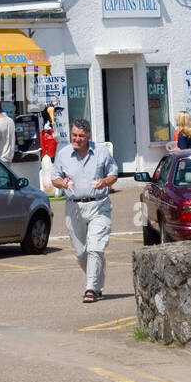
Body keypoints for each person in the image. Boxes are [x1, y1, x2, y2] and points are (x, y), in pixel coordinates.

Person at [51, 119, 118, 304]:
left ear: (88, 136)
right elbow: (55, 178)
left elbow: (114, 174)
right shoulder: (63, 154)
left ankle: (90, 289)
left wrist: (104, 182)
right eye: (74, 135)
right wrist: (62, 183)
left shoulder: (101, 152)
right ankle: (97, 283)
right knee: (81, 253)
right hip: (74, 207)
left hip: (99, 205)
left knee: (96, 247)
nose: (77, 139)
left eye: (81, 136)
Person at [39, 110, 58, 194]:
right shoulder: (41, 133)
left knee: (52, 172)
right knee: (43, 172)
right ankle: (44, 188)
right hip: (44, 157)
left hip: (51, 157)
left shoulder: (54, 133)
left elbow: (56, 136)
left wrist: (53, 123)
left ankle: (55, 190)